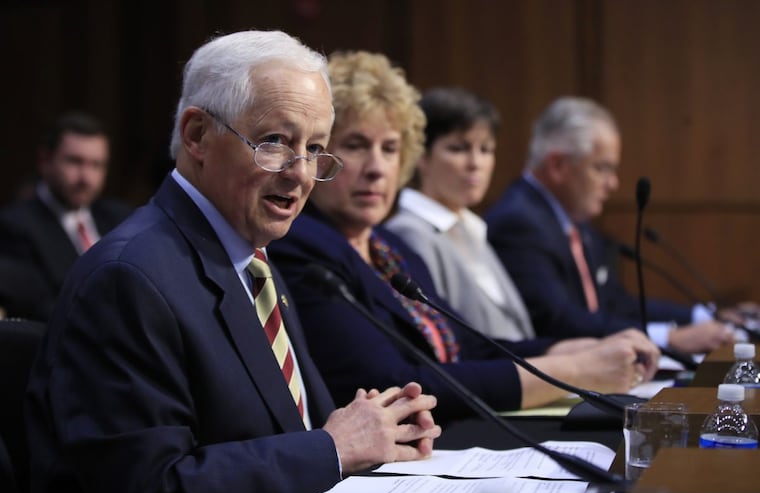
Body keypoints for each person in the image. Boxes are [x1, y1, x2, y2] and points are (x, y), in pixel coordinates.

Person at [24, 30, 441, 493]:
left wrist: (378, 432)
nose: (301, 173)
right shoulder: (128, 279)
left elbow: (288, 432)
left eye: (314, 149)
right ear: (198, 135)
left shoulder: (254, 260)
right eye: (276, 142)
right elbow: (148, 490)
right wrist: (333, 448)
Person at [268, 51, 659, 425]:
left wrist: (569, 349)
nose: (376, 168)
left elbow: (464, 347)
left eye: (390, 149)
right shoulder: (303, 244)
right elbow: (390, 382)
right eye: (355, 146)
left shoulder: (389, 248)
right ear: (317, 155)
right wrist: (574, 371)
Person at [484, 96, 739, 356]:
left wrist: (700, 316)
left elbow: (615, 303)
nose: (613, 184)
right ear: (558, 165)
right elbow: (559, 321)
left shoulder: (570, 219)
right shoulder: (519, 222)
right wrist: (670, 337)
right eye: (602, 168)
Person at [386, 87, 534, 341]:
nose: (476, 163)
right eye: (458, 148)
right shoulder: (410, 233)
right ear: (421, 155)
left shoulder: (471, 226)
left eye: (485, 149)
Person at [0, 112, 132, 321]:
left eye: (97, 165)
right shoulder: (15, 226)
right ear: (45, 161)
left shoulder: (120, 218)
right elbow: (38, 306)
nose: (86, 178)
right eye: (74, 162)